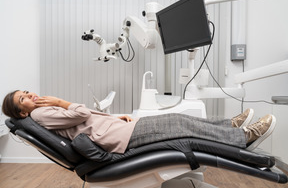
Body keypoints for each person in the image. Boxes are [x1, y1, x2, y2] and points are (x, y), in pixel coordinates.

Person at [2, 90, 276, 153]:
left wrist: (112, 116)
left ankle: (228, 125)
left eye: (26, 92)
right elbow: (82, 115)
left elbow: (80, 121)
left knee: (178, 119)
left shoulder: (39, 112)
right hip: (118, 138)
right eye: (22, 99)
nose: (29, 95)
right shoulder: (39, 113)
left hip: (116, 128)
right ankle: (242, 136)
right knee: (181, 126)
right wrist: (59, 101)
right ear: (22, 113)